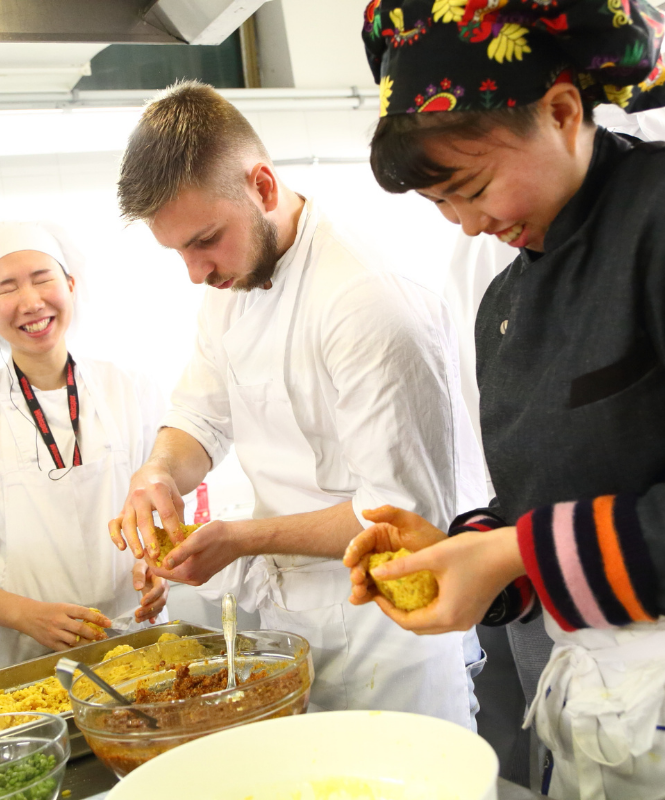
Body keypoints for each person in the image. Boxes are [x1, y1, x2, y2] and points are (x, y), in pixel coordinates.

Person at [345, 1, 665, 798]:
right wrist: (463, 551)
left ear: (564, 109)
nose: (470, 224)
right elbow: (558, 494)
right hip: (620, 720)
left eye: (471, 187)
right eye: (442, 205)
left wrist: (515, 552)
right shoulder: (508, 298)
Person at [109, 82, 488, 725]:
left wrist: (238, 539)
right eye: (177, 251)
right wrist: (159, 473)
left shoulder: (367, 299)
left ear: (261, 186)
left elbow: (399, 514)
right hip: (296, 626)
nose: (195, 272)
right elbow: (201, 413)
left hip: (390, 631)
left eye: (204, 241)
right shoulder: (231, 283)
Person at [0, 222, 169, 674]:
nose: (31, 302)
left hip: (137, 645)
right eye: (7, 288)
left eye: (43, 279)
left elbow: (165, 510)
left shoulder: (133, 390)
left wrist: (160, 567)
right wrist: (29, 617)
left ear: (71, 286)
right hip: (21, 663)